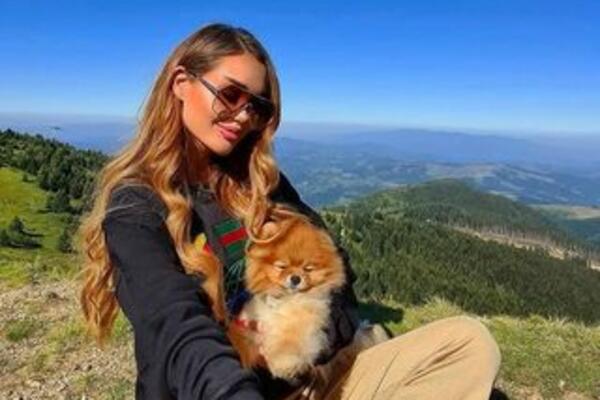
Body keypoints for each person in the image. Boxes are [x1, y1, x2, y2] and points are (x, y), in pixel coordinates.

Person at [78, 23, 501, 400]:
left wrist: (311, 340)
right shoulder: (137, 204)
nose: (243, 116)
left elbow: (334, 272)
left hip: (314, 378)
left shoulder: (259, 183)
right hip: (222, 388)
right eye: (231, 94)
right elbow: (174, 322)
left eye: (257, 106)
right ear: (181, 83)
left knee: (468, 343)